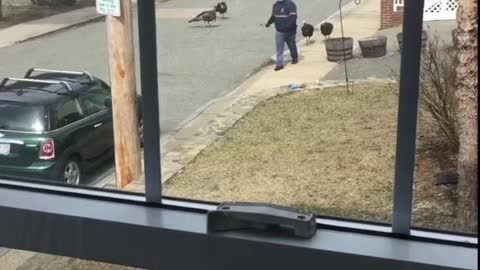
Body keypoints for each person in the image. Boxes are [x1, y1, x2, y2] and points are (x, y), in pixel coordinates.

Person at [266, 0, 299, 71]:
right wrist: (268, 23)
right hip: (279, 31)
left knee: (291, 45)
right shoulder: (275, 5)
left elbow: (293, 17)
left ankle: (294, 58)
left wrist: (288, 26)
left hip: (290, 31)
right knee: (279, 49)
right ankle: (279, 64)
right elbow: (273, 17)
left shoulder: (290, 4)